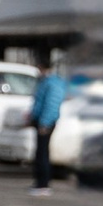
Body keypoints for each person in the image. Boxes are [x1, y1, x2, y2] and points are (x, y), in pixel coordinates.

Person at [30, 59, 70, 192]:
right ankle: (40, 182)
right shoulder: (46, 82)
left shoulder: (52, 83)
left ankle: (43, 184)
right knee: (40, 152)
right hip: (41, 120)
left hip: (45, 123)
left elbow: (51, 104)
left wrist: (45, 123)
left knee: (42, 153)